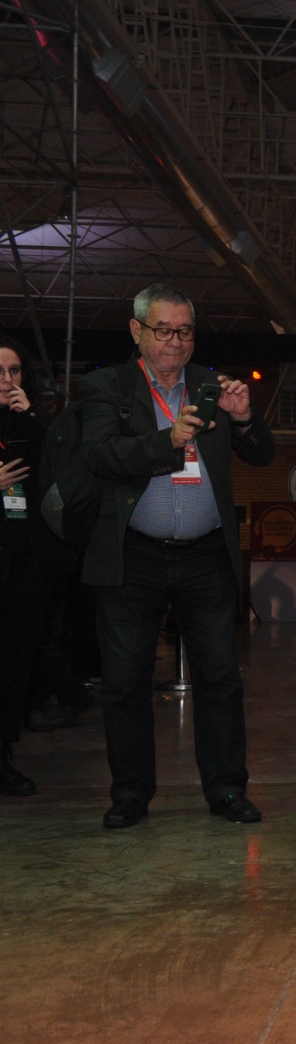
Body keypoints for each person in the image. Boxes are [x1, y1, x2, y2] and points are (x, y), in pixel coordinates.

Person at [82, 284, 276, 829]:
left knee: (221, 677)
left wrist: (241, 418)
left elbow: (263, 454)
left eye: (185, 330)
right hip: (133, 556)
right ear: (137, 331)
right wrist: (167, 440)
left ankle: (226, 790)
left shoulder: (212, 385)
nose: (175, 341)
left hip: (206, 556)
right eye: (163, 329)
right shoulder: (108, 385)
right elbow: (100, 454)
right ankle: (130, 793)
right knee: (124, 680)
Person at [0, 338, 44, 795]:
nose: (8, 380)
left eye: (15, 371)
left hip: (20, 558)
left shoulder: (24, 422)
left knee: (13, 664)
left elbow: (49, 468)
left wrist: (31, 416)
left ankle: (3, 755)